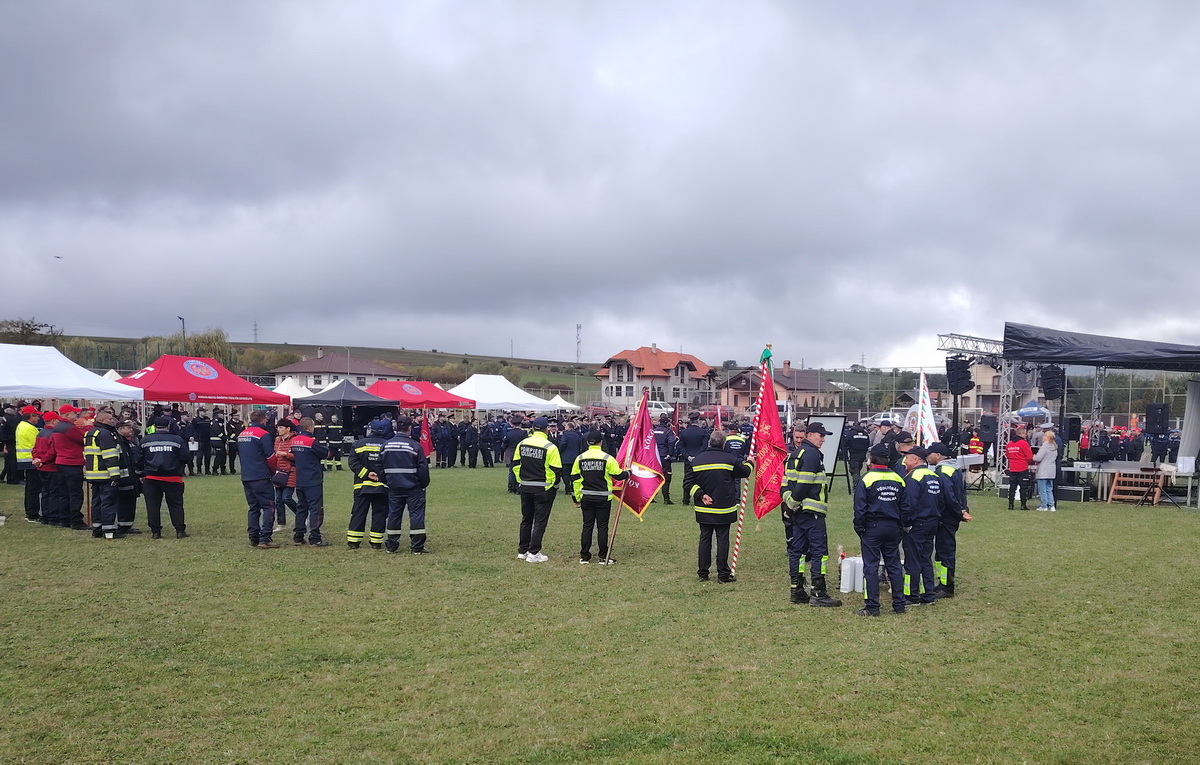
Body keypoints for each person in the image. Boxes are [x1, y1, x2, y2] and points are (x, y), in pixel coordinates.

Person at [781, 422, 841, 606]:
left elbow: (784, 483)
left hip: (798, 513)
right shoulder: (812, 454)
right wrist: (793, 503)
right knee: (819, 553)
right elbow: (804, 484)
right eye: (820, 435)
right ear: (810, 435)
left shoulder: (794, 454)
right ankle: (818, 592)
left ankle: (797, 589)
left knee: (797, 552)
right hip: (812, 511)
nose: (823, 440)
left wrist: (789, 504)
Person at [853, 443, 911, 616]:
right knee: (893, 565)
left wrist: (860, 528)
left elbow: (860, 508)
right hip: (893, 527)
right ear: (888, 459)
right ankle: (899, 605)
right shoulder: (898, 478)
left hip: (872, 527)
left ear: (871, 459)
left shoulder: (866, 478)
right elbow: (905, 507)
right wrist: (901, 526)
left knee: (870, 567)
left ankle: (872, 607)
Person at [688, 430, 753, 583]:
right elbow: (744, 472)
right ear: (724, 443)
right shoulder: (729, 459)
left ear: (710, 442)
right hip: (724, 508)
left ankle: (702, 573)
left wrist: (701, 495)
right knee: (722, 539)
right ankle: (723, 574)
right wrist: (750, 462)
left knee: (705, 539)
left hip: (703, 508)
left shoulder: (697, 460)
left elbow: (688, 483)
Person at [571, 429, 628, 564]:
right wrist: (629, 473)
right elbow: (618, 475)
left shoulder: (580, 458)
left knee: (587, 526)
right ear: (601, 443)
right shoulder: (607, 458)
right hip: (603, 498)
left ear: (588, 443)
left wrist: (576, 498)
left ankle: (584, 556)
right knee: (602, 527)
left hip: (586, 497)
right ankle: (603, 556)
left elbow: (575, 479)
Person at [512, 416, 562, 563]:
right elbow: (556, 470)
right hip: (543, 487)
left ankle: (523, 550)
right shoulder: (550, 447)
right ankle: (534, 553)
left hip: (526, 485)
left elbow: (515, 464)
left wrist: (520, 480)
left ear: (533, 428)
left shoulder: (522, 444)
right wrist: (553, 484)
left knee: (526, 519)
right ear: (546, 429)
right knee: (540, 521)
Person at [380, 415, 431, 554]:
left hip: (394, 488)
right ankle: (417, 546)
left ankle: (391, 545)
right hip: (413, 487)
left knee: (394, 515)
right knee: (416, 515)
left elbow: (379, 467)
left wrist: (387, 481)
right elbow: (423, 468)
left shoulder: (385, 445)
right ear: (409, 428)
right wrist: (423, 484)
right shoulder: (415, 446)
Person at [927, 443, 971, 598]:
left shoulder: (942, 471)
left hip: (946, 517)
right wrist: (963, 509)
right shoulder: (954, 469)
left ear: (938, 455)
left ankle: (946, 586)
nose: (927, 456)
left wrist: (959, 512)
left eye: (930, 454)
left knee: (944, 553)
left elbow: (948, 497)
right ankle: (942, 582)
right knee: (942, 552)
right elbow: (962, 493)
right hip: (952, 517)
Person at [901, 446, 941, 606]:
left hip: (916, 524)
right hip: (932, 521)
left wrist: (906, 524)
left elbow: (909, 504)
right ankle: (928, 594)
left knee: (912, 560)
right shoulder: (933, 475)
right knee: (926, 558)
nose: (905, 461)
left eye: (908, 458)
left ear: (916, 460)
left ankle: (912, 595)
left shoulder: (913, 478)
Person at [140, 416, 189, 538]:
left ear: (154, 427)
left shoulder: (145, 440)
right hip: (173, 478)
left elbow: (138, 459)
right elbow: (185, 457)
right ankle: (180, 531)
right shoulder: (177, 440)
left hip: (151, 478)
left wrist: (141, 473)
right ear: (168, 426)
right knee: (176, 505)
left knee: (152, 506)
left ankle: (155, 532)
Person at [347, 418, 391, 550]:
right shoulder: (387, 444)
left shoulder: (359, 444)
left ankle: (353, 541)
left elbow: (353, 463)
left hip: (362, 486)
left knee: (359, 513)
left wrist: (366, 474)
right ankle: (376, 542)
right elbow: (389, 463)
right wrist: (380, 475)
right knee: (380, 514)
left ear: (370, 430)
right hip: (381, 487)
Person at [237, 410, 279, 548]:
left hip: (246, 476)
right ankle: (265, 538)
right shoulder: (263, 434)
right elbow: (270, 457)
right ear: (263, 420)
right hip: (261, 475)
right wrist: (273, 472)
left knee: (253, 507)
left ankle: (253, 536)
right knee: (268, 506)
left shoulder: (242, 434)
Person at [291, 416, 331, 546]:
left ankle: (298, 535)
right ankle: (315, 537)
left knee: (301, 508)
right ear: (310, 427)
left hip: (300, 479)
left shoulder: (294, 441)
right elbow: (326, 453)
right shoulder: (311, 442)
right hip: (313, 479)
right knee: (315, 509)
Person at [83, 410, 122, 540]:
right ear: (103, 420)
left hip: (92, 474)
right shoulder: (105, 434)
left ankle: (97, 528)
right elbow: (110, 455)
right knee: (108, 502)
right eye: (110, 419)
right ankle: (109, 530)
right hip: (105, 474)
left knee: (96, 501)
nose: (113, 421)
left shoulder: (90, 433)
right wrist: (115, 474)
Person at [52, 405, 88, 529]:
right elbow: (84, 439)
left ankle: (65, 518)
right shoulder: (69, 428)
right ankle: (76, 520)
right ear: (67, 415)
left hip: (61, 461)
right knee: (75, 493)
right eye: (74, 413)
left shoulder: (58, 427)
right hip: (72, 462)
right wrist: (87, 427)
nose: (76, 416)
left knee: (64, 492)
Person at [31, 411, 62, 525]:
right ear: (54, 421)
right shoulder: (53, 433)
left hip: (41, 467)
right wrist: (43, 460)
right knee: (54, 492)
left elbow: (34, 449)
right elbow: (52, 451)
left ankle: (45, 515)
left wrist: (37, 459)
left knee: (45, 492)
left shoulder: (40, 433)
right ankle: (53, 517)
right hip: (51, 466)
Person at [114, 419, 144, 536]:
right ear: (120, 429)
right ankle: (122, 526)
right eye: (128, 428)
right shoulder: (118, 442)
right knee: (123, 502)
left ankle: (127, 525)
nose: (131, 430)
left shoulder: (130, 441)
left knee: (131, 500)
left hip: (132, 475)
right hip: (123, 477)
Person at [15, 405, 43, 522]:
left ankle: (30, 512)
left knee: (30, 488)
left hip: (25, 460)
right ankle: (33, 514)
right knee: (34, 489)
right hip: (31, 460)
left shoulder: (21, 426)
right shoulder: (29, 428)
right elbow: (38, 444)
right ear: (31, 416)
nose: (38, 419)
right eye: (37, 416)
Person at [272, 419, 299, 532]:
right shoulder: (277, 440)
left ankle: (301, 515)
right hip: (279, 473)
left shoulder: (294, 440)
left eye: (281, 428)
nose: (279, 430)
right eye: (278, 427)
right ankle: (281, 524)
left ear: (288, 429)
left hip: (291, 472)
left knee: (286, 498)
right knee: (278, 500)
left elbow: (297, 455)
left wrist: (286, 454)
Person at [677, 412, 708, 506]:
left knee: (687, 479)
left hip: (688, 460)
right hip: (699, 459)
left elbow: (680, 446)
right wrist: (697, 456)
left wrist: (687, 456)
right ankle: (698, 499)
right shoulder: (703, 432)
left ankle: (685, 500)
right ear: (698, 420)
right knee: (699, 480)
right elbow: (704, 446)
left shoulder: (684, 432)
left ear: (690, 421)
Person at [1005, 426, 1035, 510]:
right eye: (1025, 433)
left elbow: (1007, 455)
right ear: (1021, 434)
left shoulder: (1009, 444)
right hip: (1022, 468)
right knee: (1023, 487)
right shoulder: (1023, 443)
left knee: (1012, 487)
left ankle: (1011, 505)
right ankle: (1023, 505)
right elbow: (1029, 456)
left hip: (1012, 468)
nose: (1026, 435)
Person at [652, 414, 678, 504]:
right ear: (667, 423)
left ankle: (651, 497)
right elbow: (671, 442)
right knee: (666, 477)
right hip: (664, 456)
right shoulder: (668, 432)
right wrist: (670, 454)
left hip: (654, 456)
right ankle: (666, 499)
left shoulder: (653, 431)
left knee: (654, 476)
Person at [1033, 429, 1058, 512]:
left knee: (1042, 489)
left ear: (1047, 438)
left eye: (1044, 436)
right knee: (1049, 489)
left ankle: (1044, 505)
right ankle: (1052, 505)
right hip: (1051, 470)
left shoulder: (1044, 447)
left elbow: (1038, 458)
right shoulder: (1054, 447)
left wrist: (1033, 456)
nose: (1042, 437)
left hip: (1043, 470)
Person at [502, 415, 526, 494]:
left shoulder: (509, 434)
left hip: (512, 453)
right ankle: (518, 486)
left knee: (512, 471)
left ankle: (511, 487)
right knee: (521, 471)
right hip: (521, 453)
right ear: (520, 424)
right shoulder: (523, 433)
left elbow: (504, 445)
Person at [557, 420, 584, 489]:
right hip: (575, 457)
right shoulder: (578, 435)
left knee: (566, 474)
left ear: (568, 427)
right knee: (574, 473)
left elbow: (563, 444)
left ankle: (567, 487)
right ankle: (572, 486)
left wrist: (560, 452)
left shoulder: (565, 435)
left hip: (566, 457)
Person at [845, 422, 871, 492]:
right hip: (862, 455)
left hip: (853, 454)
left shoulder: (851, 433)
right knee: (858, 469)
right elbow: (868, 444)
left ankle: (857, 487)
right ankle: (858, 485)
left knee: (854, 470)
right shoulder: (865, 433)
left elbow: (846, 442)